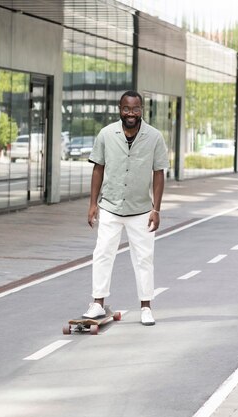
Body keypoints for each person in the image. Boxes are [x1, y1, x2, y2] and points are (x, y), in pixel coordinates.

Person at [83, 90, 169, 326]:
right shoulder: (106, 134)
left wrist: (157, 209)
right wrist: (92, 204)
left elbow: (158, 173)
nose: (131, 113)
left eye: (136, 109)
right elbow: (98, 168)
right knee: (102, 254)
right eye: (126, 108)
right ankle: (97, 304)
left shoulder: (154, 137)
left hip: (141, 210)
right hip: (110, 207)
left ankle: (146, 307)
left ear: (142, 110)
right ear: (119, 109)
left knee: (144, 259)